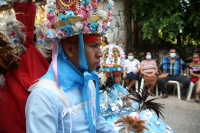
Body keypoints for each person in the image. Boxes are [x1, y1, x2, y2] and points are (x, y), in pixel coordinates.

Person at [25, 0, 117, 133]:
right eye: (93, 46)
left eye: (99, 46)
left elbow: (96, 119)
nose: (100, 53)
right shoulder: (44, 96)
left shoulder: (87, 82)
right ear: (69, 49)